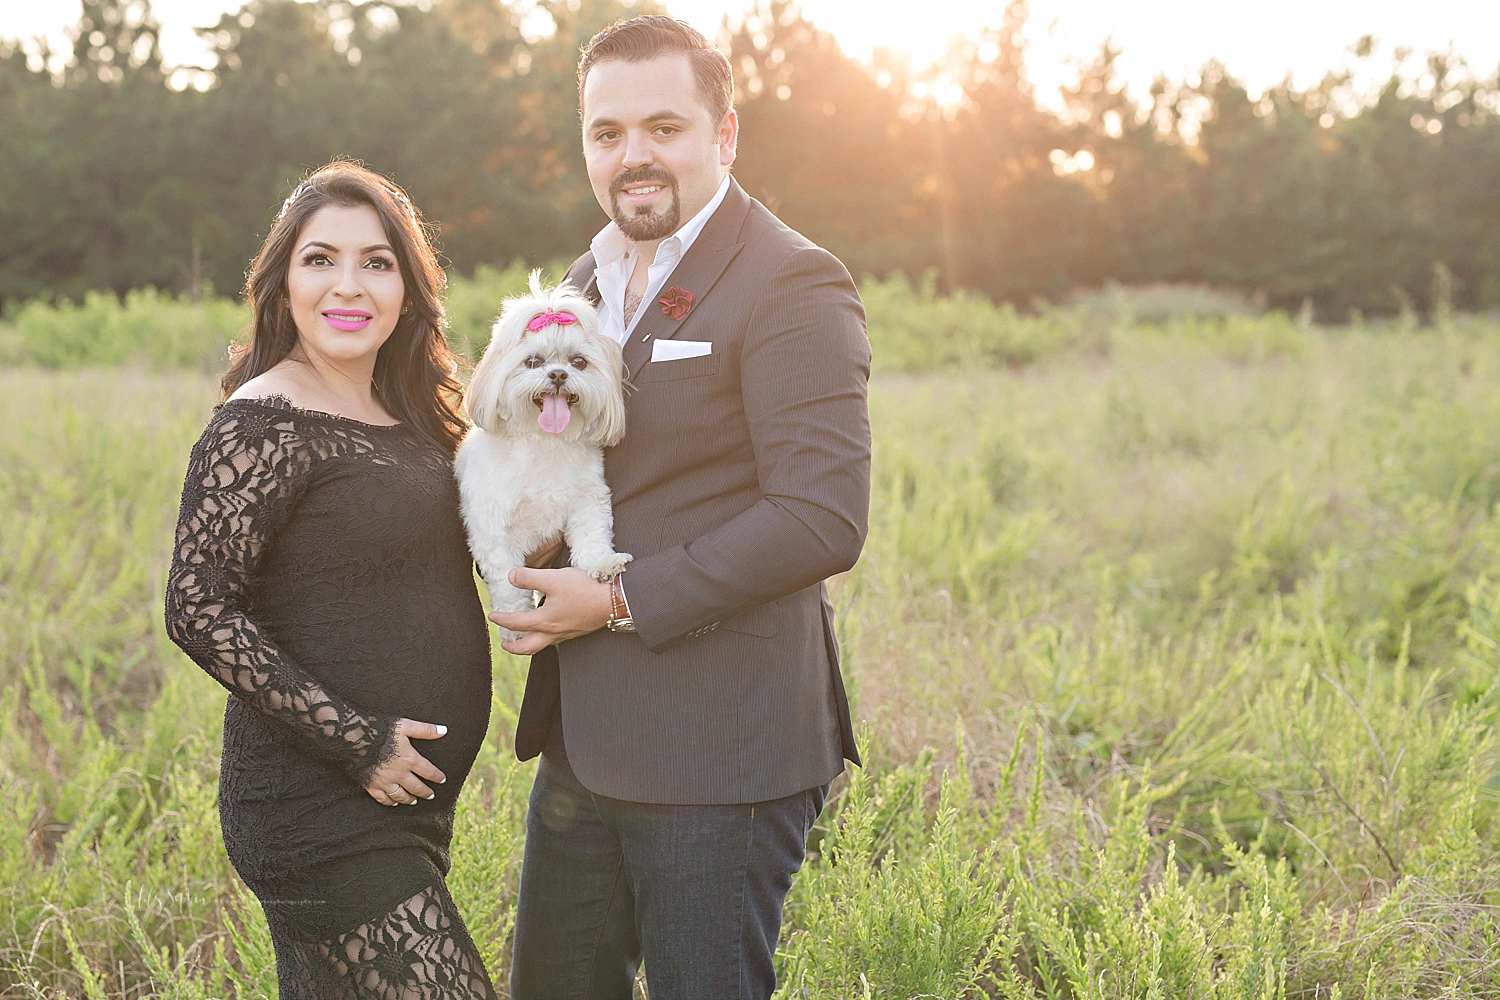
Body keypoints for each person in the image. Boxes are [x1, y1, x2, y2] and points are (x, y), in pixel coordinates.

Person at [489, 16, 872, 1000]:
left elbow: (822, 515)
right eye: (607, 133)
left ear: (725, 134)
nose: (634, 156)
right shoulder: (579, 286)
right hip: (583, 745)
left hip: (720, 757)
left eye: (664, 126)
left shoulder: (792, 279)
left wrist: (615, 601)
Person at [164, 161, 497, 999]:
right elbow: (197, 608)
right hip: (317, 806)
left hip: (403, 812)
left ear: (409, 289)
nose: (348, 285)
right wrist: (359, 741)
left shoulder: (412, 416)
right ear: (282, 281)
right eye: (321, 259)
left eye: (376, 262)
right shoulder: (263, 421)